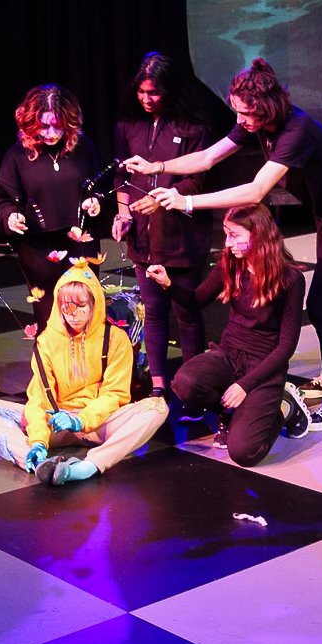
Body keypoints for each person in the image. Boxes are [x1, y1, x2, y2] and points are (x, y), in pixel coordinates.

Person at [125, 57, 322, 431]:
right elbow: (208, 157)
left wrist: (187, 201)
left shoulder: (297, 130)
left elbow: (257, 190)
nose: (240, 120)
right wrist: (157, 167)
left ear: (266, 107)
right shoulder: (255, 122)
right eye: (236, 111)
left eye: (245, 113)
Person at [0, 259, 168, 485]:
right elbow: (39, 399)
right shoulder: (46, 341)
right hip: (55, 423)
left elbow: (114, 394)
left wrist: (80, 420)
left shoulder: (115, 339)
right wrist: (38, 441)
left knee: (157, 407)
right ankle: (36, 461)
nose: (72, 313)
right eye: (66, 305)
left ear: (94, 304)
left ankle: (90, 465)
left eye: (80, 305)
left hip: (100, 423)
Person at [147, 204, 311, 466]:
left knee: (244, 452)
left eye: (234, 235)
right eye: (226, 234)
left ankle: (284, 408)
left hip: (263, 365)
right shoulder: (231, 263)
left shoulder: (290, 278)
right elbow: (195, 300)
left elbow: (286, 346)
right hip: (229, 354)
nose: (227, 243)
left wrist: (245, 385)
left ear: (258, 234)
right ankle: (230, 412)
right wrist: (168, 284)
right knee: (185, 382)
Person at [112, 51, 214, 405]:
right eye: (141, 92)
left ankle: (193, 386)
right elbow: (122, 177)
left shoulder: (193, 128)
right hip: (143, 237)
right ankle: (158, 386)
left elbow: (197, 180)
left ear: (169, 89)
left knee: (187, 314)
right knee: (153, 313)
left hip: (182, 238)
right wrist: (122, 214)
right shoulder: (128, 126)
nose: (146, 99)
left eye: (153, 92)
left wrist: (163, 200)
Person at [0, 84, 106, 332]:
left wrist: (95, 200)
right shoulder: (18, 154)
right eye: (44, 126)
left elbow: (99, 185)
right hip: (38, 248)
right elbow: (3, 200)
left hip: (80, 241)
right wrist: (11, 216)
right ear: (31, 123)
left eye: (58, 126)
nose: (52, 133)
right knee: (48, 318)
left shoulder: (83, 147)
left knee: (84, 312)